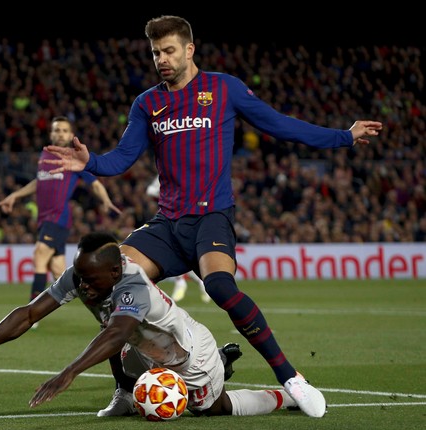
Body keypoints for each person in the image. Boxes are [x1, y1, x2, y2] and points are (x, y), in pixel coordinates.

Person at [43, 15, 384, 418]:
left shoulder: (224, 89)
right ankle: (124, 389)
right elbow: (121, 158)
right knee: (110, 281)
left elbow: (280, 125)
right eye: (156, 53)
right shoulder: (148, 103)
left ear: (189, 49)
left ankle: (291, 378)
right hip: (167, 225)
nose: (162, 60)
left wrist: (343, 135)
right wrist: (91, 162)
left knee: (222, 287)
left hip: (211, 219)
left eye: (169, 50)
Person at [0, 232, 298, 418]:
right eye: (81, 278)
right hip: (146, 348)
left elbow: (118, 331)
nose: (84, 287)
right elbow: (28, 313)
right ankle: (125, 393)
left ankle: (285, 396)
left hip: (190, 356)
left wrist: (68, 373)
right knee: (115, 337)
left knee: (210, 410)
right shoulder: (82, 275)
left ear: (115, 270)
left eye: (91, 280)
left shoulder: (133, 283)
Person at [0, 116, 122, 305]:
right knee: (59, 271)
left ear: (70, 135)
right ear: (51, 133)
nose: (60, 134)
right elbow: (40, 181)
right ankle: (105, 303)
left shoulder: (73, 158)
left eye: (64, 130)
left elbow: (93, 183)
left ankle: (32, 310)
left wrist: (106, 200)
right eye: (56, 130)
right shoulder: (45, 155)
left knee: (40, 254)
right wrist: (15, 195)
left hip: (58, 217)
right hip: (44, 219)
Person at [147, 175, 209, 303]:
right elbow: (150, 191)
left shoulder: (191, 178)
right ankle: (186, 282)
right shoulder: (164, 174)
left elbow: (202, 199)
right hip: (167, 217)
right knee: (173, 252)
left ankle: (188, 282)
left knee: (182, 253)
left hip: (185, 218)